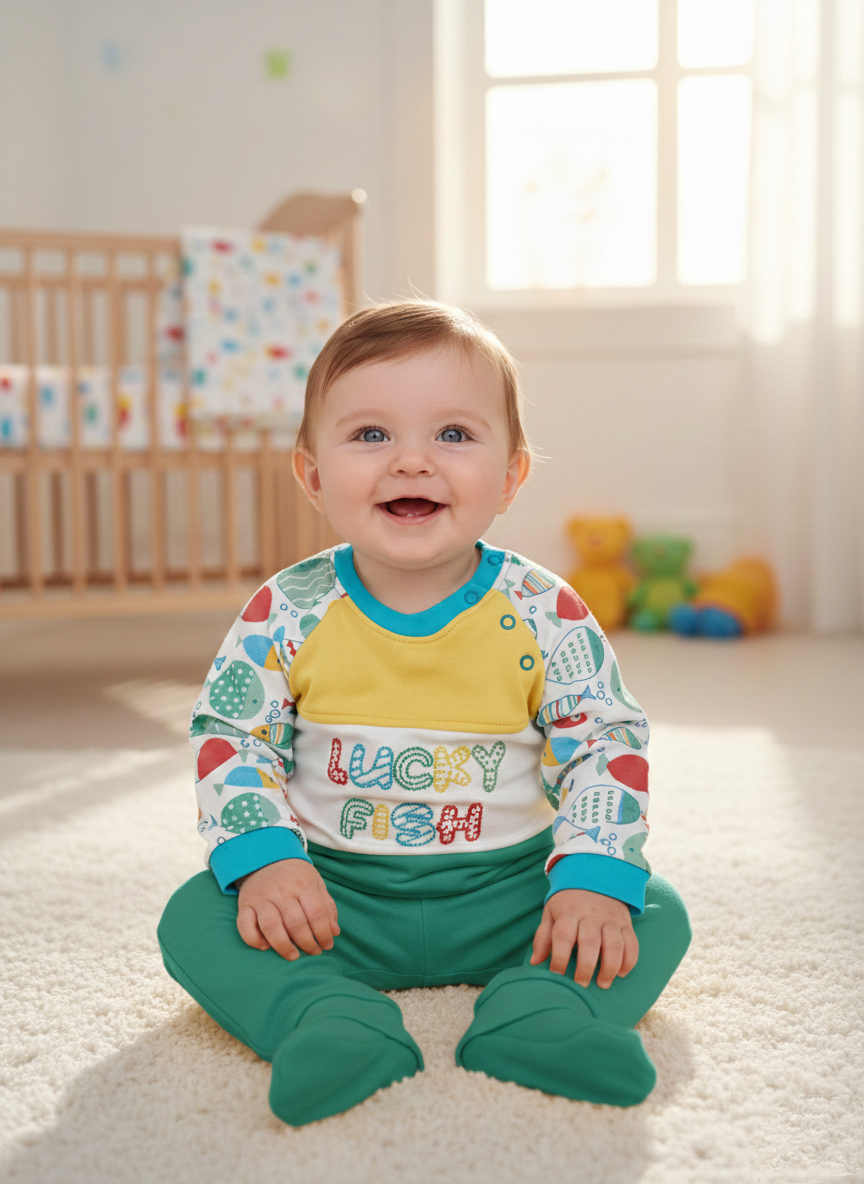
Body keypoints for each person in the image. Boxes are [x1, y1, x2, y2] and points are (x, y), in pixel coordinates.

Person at [157, 301, 691, 1126]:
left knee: (649, 909)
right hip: (333, 897)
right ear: (313, 476)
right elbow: (235, 738)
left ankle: (542, 1012)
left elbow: (603, 744)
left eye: (453, 434)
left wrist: (589, 878)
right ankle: (327, 1018)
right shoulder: (288, 608)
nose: (412, 460)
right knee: (197, 919)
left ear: (510, 476)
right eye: (371, 435)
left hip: (512, 895)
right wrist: (268, 861)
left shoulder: (544, 608)